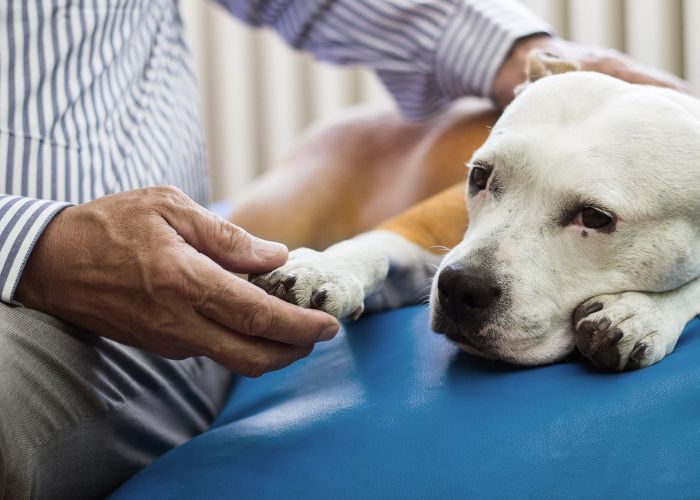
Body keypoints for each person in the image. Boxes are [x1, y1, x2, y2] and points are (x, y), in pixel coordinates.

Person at [0, 1, 688, 498]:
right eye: (485, 180)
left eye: (594, 217)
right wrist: (34, 242)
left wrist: (497, 46)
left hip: (145, 276)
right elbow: (415, 237)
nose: (465, 273)